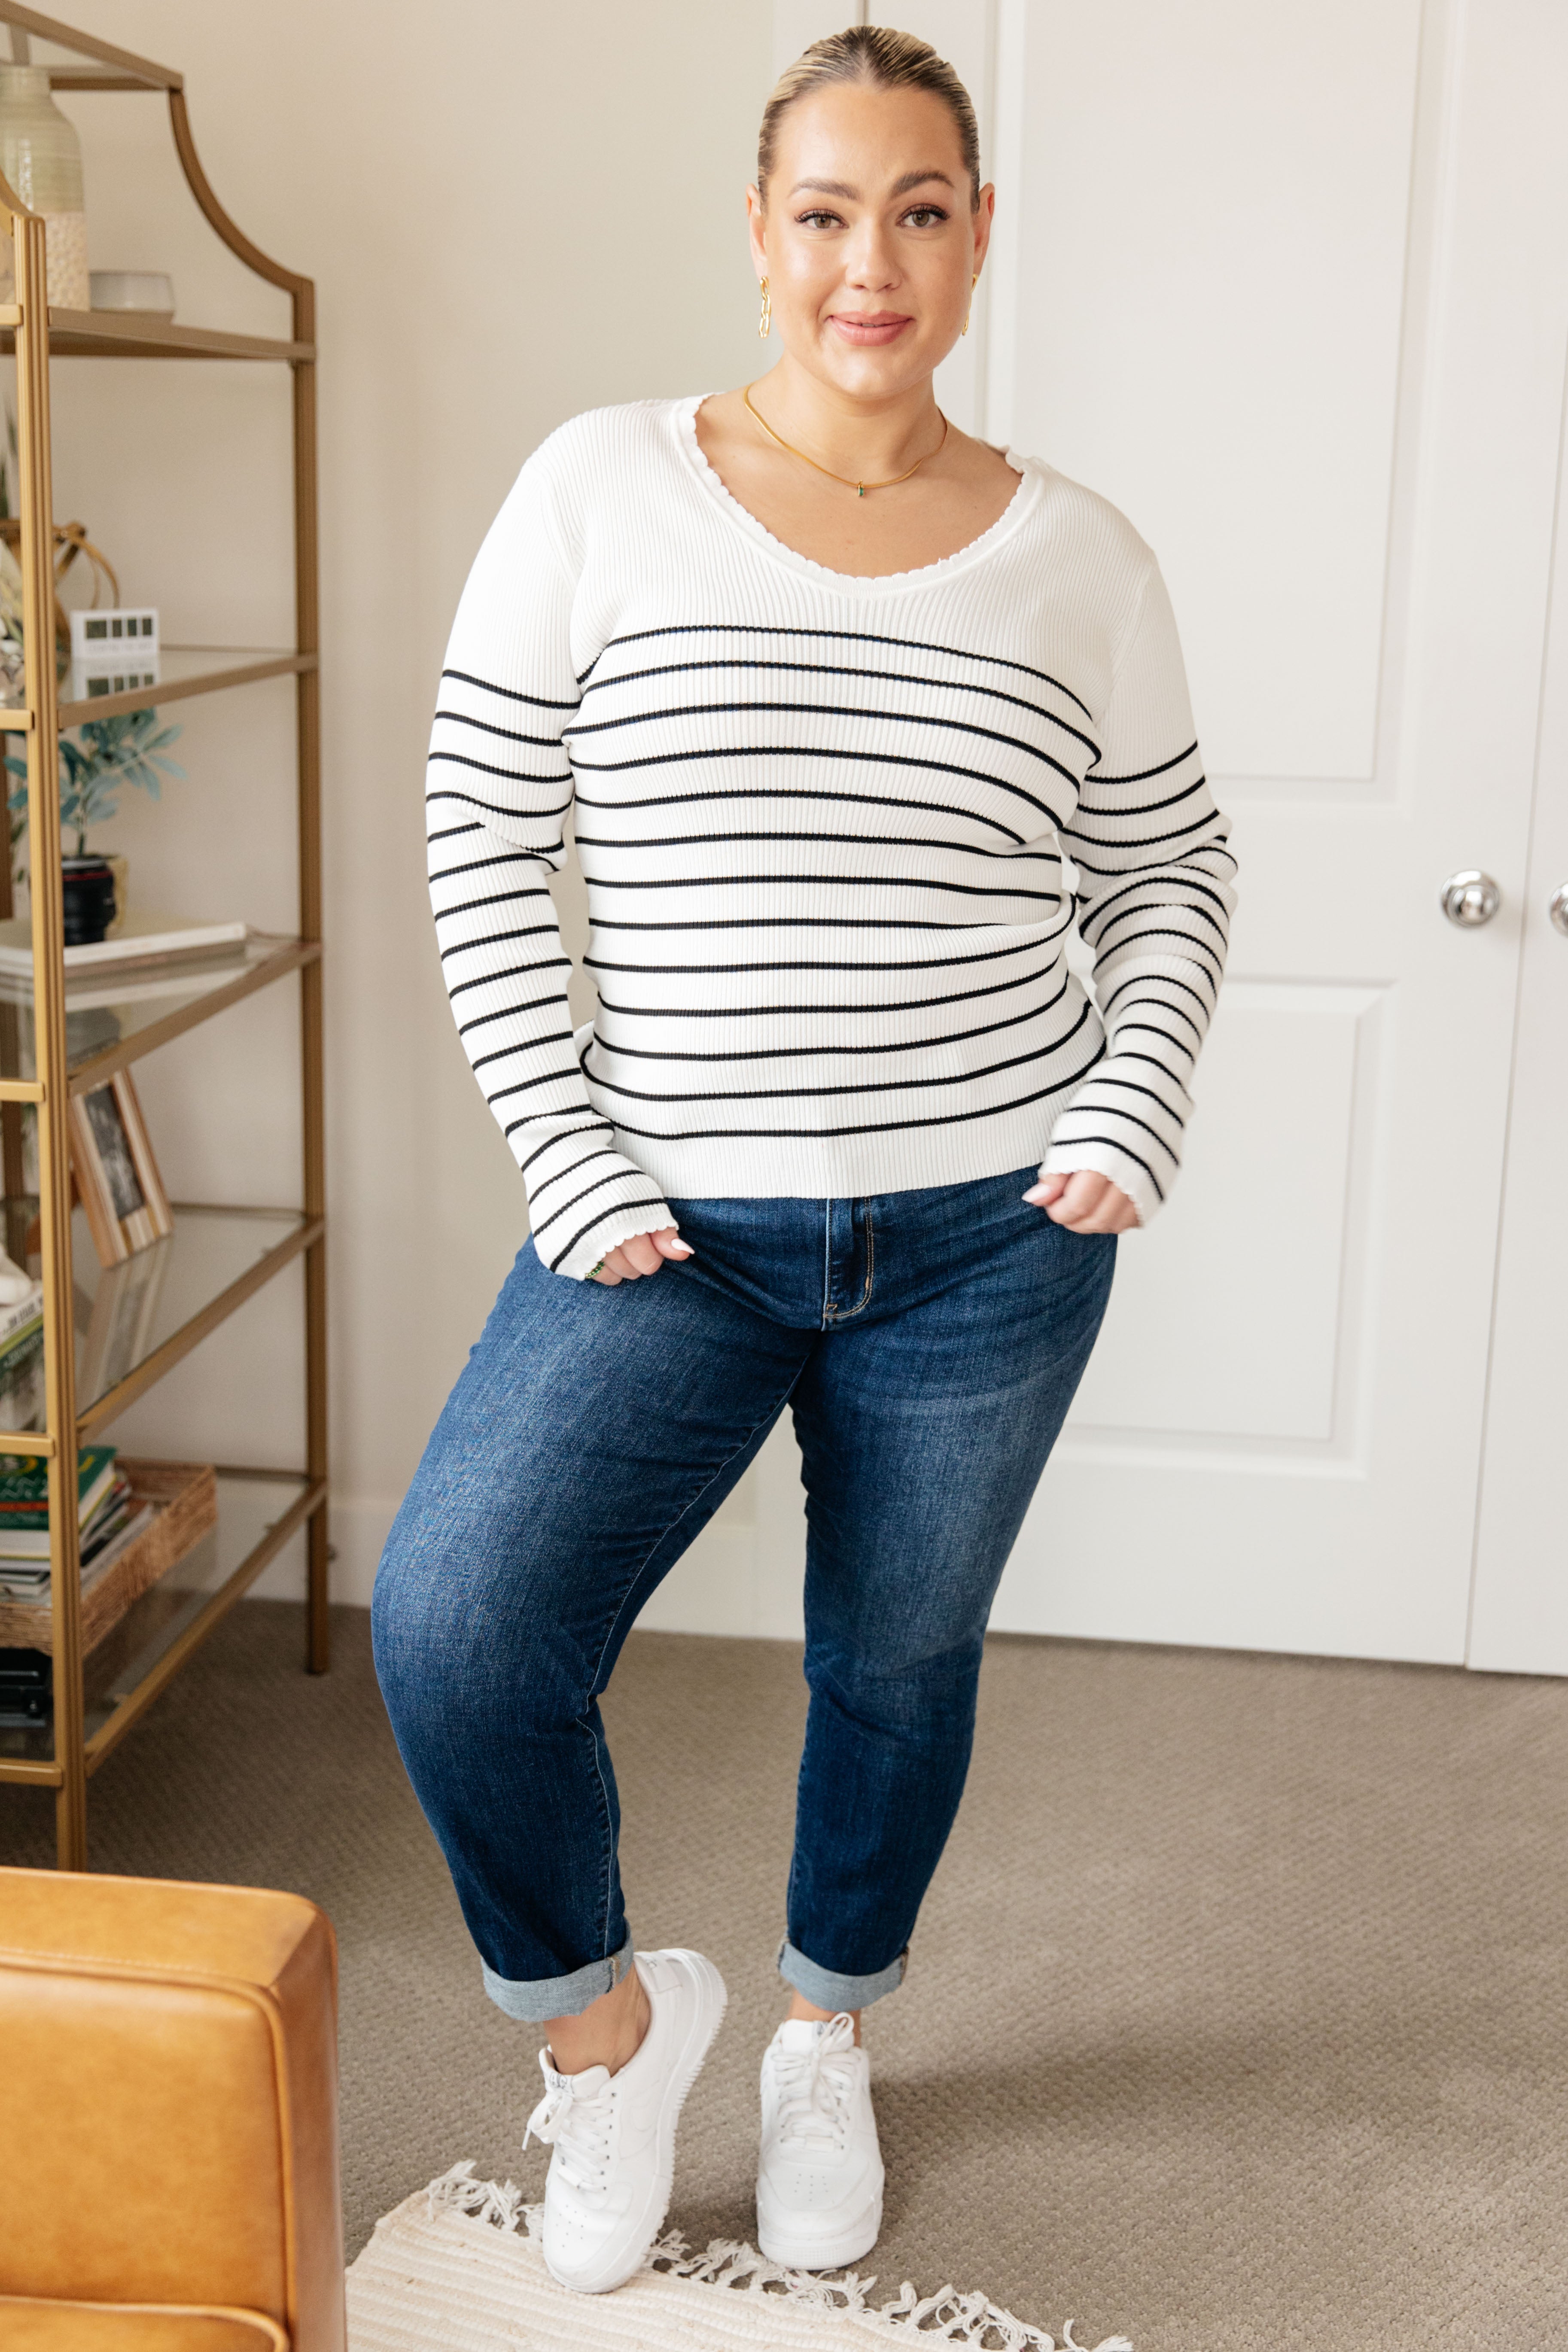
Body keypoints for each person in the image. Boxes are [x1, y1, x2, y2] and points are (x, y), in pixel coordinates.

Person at [372, 23, 1235, 2300]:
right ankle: (607, 2040)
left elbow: (1166, 869)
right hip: (665, 1223)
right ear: (757, 237)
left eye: (920, 211)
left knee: (896, 1660)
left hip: (990, 1234)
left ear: (976, 238)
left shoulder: (1079, 555)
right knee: (461, 1626)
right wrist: (563, 1145)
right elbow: (481, 831)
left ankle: (825, 2033)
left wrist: (1129, 1094)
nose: (873, 262)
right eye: (828, 212)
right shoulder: (601, 488)